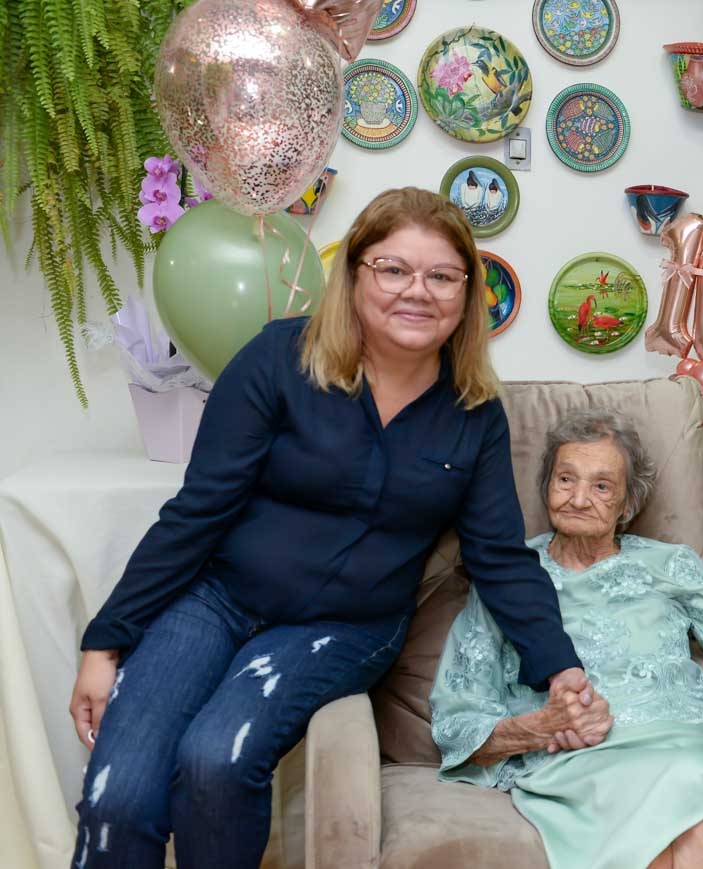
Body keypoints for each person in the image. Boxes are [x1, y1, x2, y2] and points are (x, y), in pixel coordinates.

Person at [68, 188, 592, 868]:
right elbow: (198, 509)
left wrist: (560, 664)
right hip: (218, 598)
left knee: (216, 760)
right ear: (354, 273)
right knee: (118, 794)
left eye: (442, 276)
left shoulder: (474, 412)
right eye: (393, 269)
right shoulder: (277, 358)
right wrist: (106, 641)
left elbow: (498, 556)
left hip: (345, 626)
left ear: (467, 293)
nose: (418, 291)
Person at [430, 410, 703, 869]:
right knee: (701, 803)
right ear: (546, 486)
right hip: (582, 761)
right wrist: (540, 726)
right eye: (565, 479)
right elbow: (457, 720)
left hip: (683, 743)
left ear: (627, 504)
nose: (578, 499)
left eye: (601, 486)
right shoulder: (508, 577)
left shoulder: (672, 564)